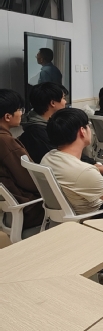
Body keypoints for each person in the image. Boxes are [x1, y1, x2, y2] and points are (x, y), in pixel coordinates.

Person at [19, 83, 103, 181]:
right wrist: (94, 168)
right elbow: (63, 160)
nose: (65, 102)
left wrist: (94, 164)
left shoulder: (47, 125)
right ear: (53, 103)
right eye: (63, 98)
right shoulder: (37, 132)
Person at [0, 89, 44, 228]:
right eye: (20, 109)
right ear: (8, 116)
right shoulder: (7, 142)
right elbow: (31, 181)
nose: (21, 113)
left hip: (9, 209)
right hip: (28, 208)